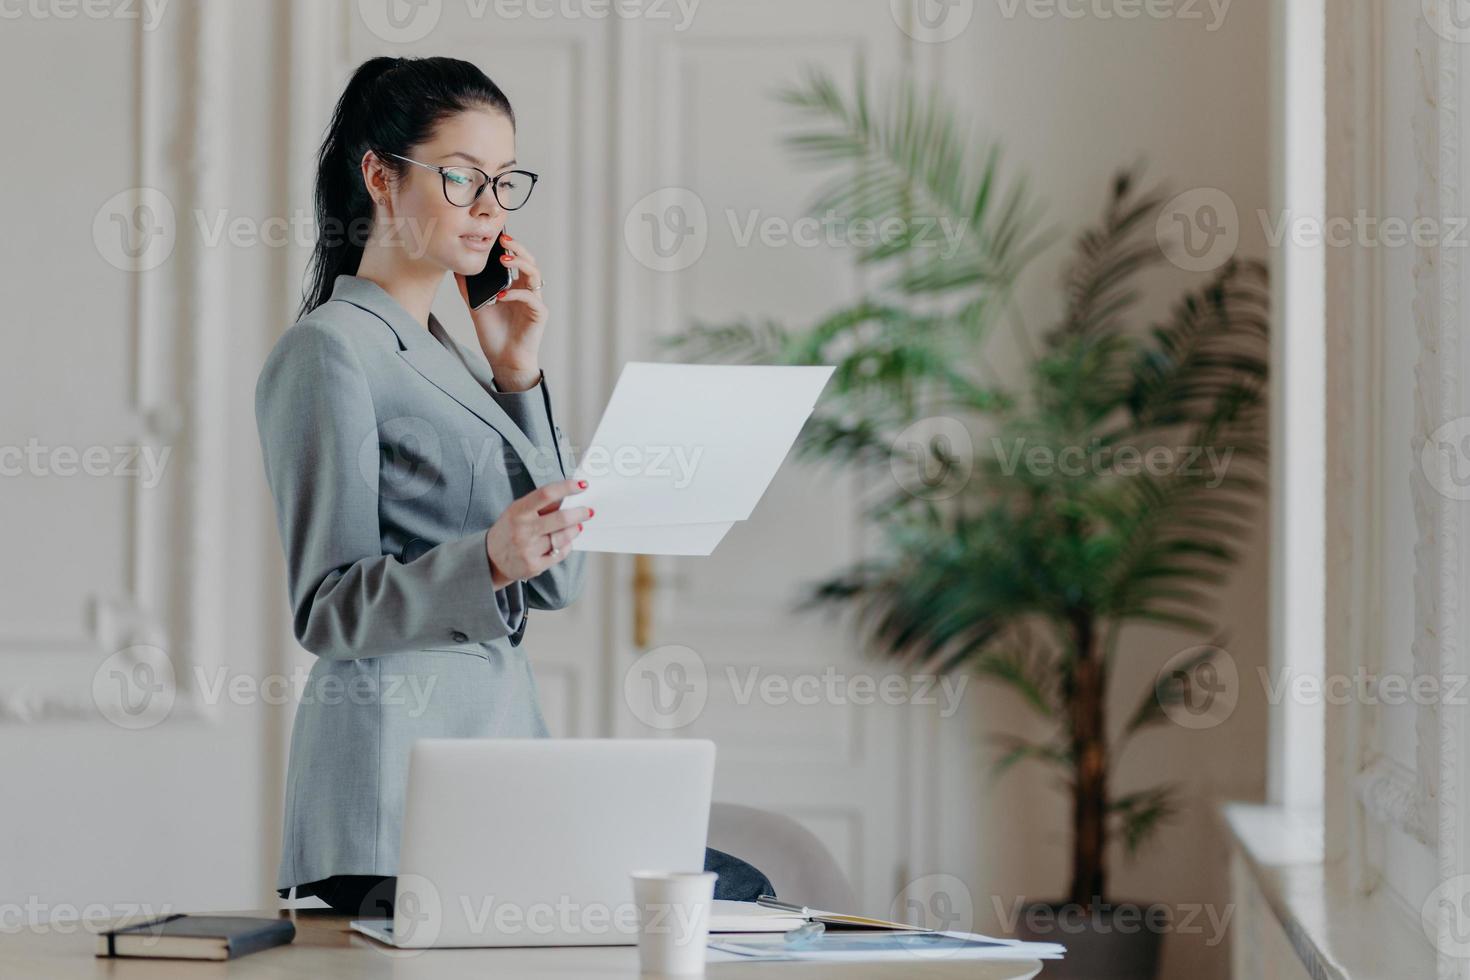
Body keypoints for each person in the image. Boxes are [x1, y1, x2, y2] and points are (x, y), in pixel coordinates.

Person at [254, 54, 773, 919]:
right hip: (388, 793)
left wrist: (519, 375)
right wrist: (487, 560)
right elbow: (327, 610)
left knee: (733, 892)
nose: (489, 206)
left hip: (493, 764)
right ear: (380, 175)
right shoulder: (330, 350)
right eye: (462, 178)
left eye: (503, 181)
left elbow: (559, 578)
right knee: (710, 896)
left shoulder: (455, 358)